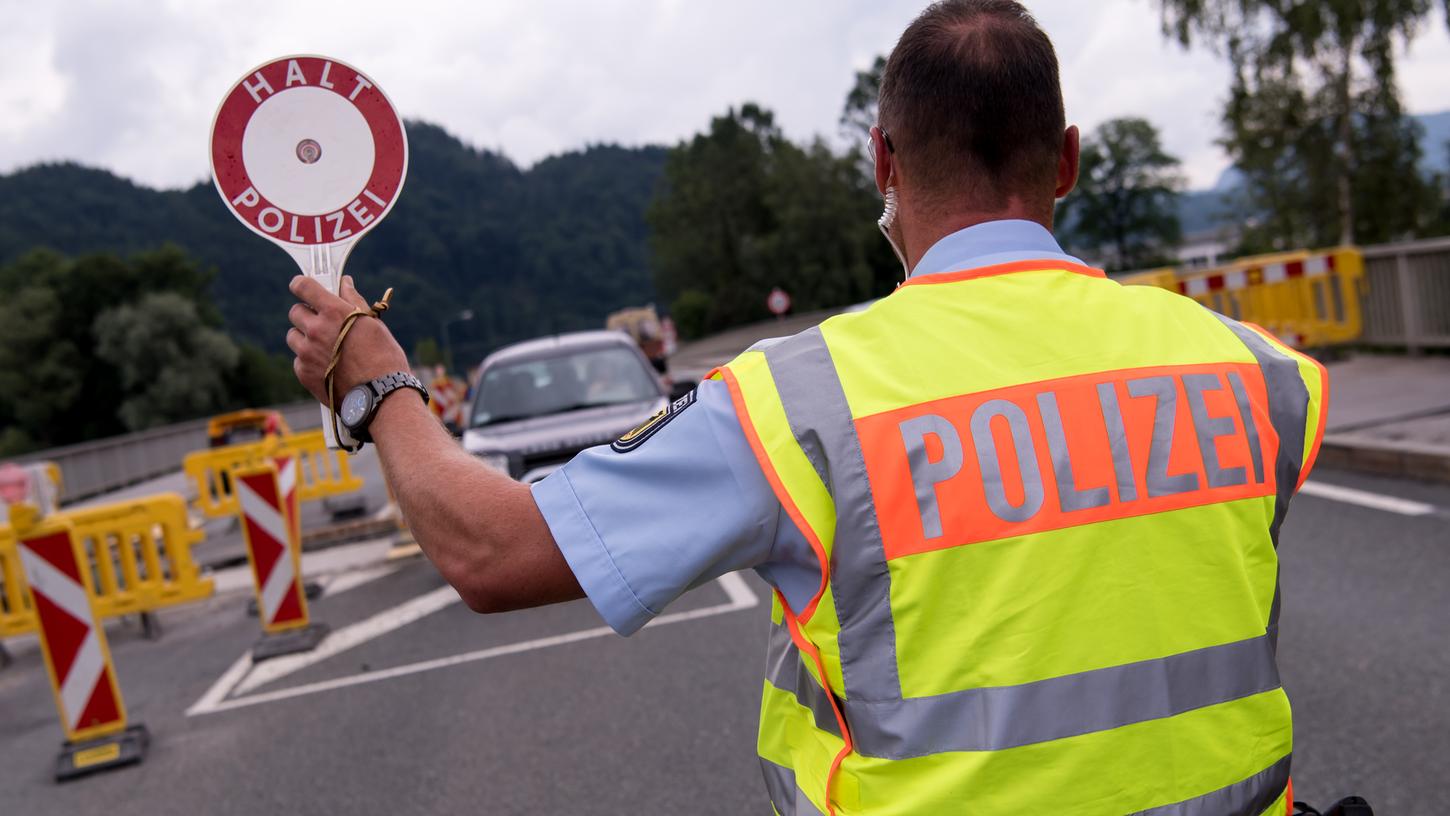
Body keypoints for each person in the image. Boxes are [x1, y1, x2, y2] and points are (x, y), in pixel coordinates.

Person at [285, 2, 1328, 813]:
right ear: (1065, 160)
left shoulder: (800, 402)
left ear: (883, 162)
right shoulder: (1251, 370)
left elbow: (487, 552)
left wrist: (378, 384)